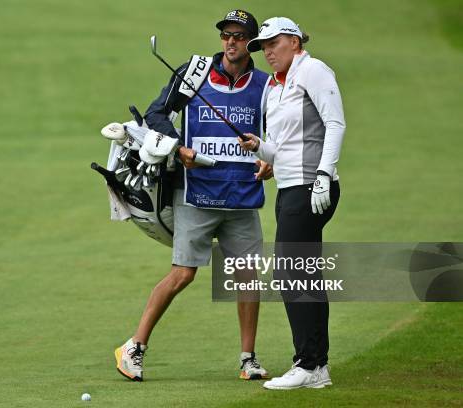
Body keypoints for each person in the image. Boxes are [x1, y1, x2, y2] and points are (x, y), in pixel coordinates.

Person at [114, 9, 272, 382]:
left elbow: (276, 132)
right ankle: (133, 347)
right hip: (196, 194)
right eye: (225, 35)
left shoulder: (266, 85)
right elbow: (156, 113)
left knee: (248, 277)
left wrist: (270, 159)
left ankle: (248, 359)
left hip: (242, 196)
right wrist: (178, 146)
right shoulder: (194, 72)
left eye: (238, 36)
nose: (230, 42)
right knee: (183, 273)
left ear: (251, 44)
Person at [239, 17, 346, 389]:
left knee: (291, 272)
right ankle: (316, 367)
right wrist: (261, 148)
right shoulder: (273, 86)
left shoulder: (313, 71)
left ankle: (310, 365)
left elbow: (335, 124)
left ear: (295, 41)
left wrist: (322, 176)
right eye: (263, 46)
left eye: (273, 43)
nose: (267, 51)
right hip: (288, 188)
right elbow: (282, 147)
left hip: (311, 187)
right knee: (303, 272)